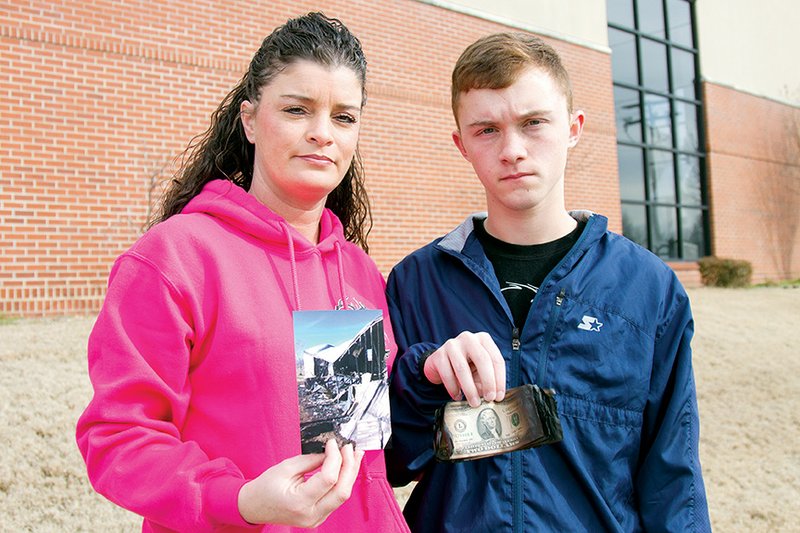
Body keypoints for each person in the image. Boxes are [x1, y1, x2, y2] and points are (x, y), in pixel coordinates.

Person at [76, 12, 409, 533]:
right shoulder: (175, 259)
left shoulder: (359, 272)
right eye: (297, 109)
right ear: (250, 120)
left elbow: (360, 444)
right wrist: (240, 501)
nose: (322, 133)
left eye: (344, 117)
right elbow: (117, 438)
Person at [385, 32, 711, 532]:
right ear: (461, 144)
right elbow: (389, 463)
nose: (512, 150)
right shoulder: (415, 283)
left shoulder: (649, 289)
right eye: (486, 130)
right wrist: (423, 376)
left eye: (534, 122)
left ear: (574, 128)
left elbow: (673, 478)